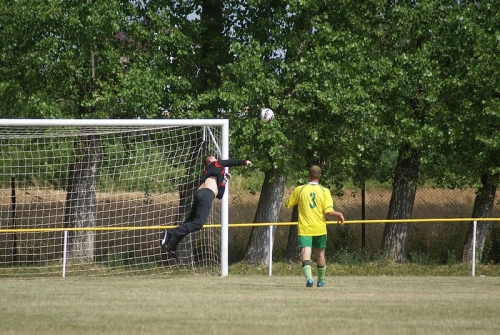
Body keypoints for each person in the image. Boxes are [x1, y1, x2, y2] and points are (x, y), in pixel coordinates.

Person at [161, 155, 252, 253]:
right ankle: (169, 233)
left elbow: (220, 195)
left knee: (190, 222)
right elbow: (228, 162)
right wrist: (244, 162)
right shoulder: (215, 164)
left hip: (200, 194)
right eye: (214, 158)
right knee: (198, 224)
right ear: (209, 160)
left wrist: (224, 180)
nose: (217, 160)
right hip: (206, 194)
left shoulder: (212, 172)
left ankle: (172, 245)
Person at [285, 165, 344, 287]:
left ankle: (309, 279)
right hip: (320, 228)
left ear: (308, 175)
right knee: (320, 255)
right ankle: (321, 280)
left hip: (305, 228)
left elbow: (288, 204)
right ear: (320, 176)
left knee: (306, 253)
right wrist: (339, 214)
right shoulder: (324, 191)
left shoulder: (300, 189)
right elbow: (328, 211)